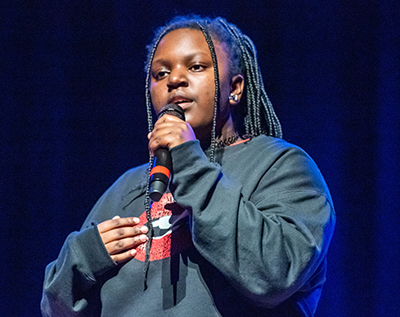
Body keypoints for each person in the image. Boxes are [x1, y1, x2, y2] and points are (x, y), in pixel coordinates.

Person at [41, 15, 335, 316]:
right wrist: (84, 256)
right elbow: (55, 309)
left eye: (195, 67)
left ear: (234, 88)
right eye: (160, 73)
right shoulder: (126, 188)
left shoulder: (281, 166)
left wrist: (190, 162)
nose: (175, 79)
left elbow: (274, 273)